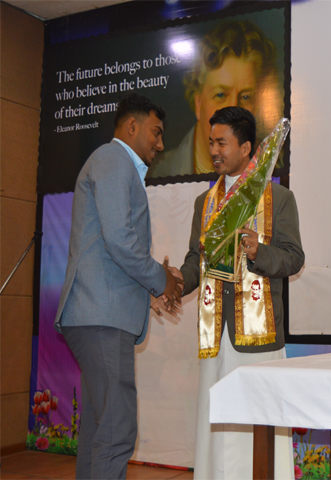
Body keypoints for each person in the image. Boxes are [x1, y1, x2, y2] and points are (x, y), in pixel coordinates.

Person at [54, 92, 184, 480]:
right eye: (156, 132)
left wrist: (152, 292)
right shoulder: (113, 159)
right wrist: (161, 280)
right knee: (117, 430)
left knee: (101, 427)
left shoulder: (111, 163)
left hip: (98, 314)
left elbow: (108, 248)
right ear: (131, 126)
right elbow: (120, 241)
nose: (160, 144)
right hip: (102, 317)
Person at [172, 106, 304, 478]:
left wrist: (259, 252)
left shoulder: (278, 198)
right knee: (217, 422)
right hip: (215, 333)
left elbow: (294, 258)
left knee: (258, 421)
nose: (213, 150)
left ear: (246, 148)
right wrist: (177, 283)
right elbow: (196, 259)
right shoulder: (204, 203)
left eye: (222, 143)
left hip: (259, 336)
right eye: (211, 142)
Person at [147, 20, 281, 178]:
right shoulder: (158, 172)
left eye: (246, 97)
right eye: (221, 95)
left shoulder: (274, 165)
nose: (233, 111)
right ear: (198, 103)